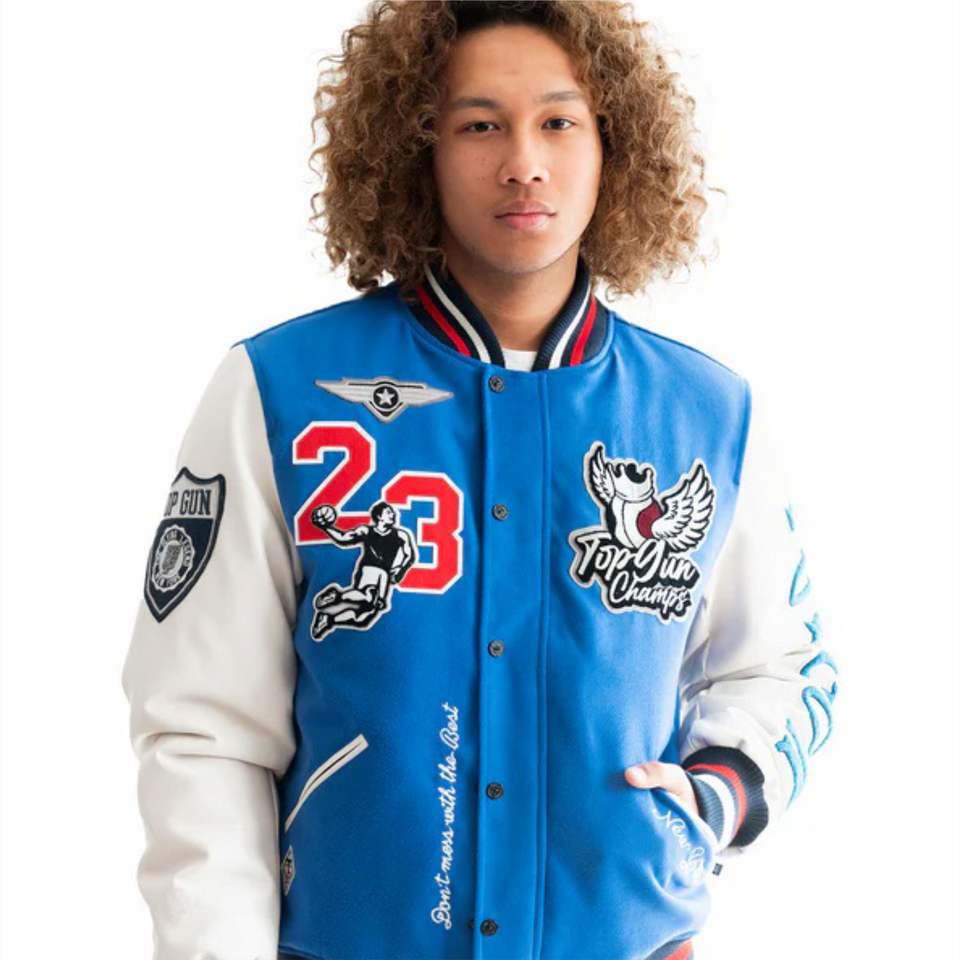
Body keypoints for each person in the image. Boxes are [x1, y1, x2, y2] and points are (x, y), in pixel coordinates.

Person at [121, 3, 840, 959]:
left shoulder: (708, 413)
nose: (523, 163)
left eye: (558, 121)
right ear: (414, 148)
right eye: (479, 125)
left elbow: (785, 666)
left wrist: (717, 795)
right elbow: (202, 730)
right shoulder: (280, 388)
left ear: (613, 145)